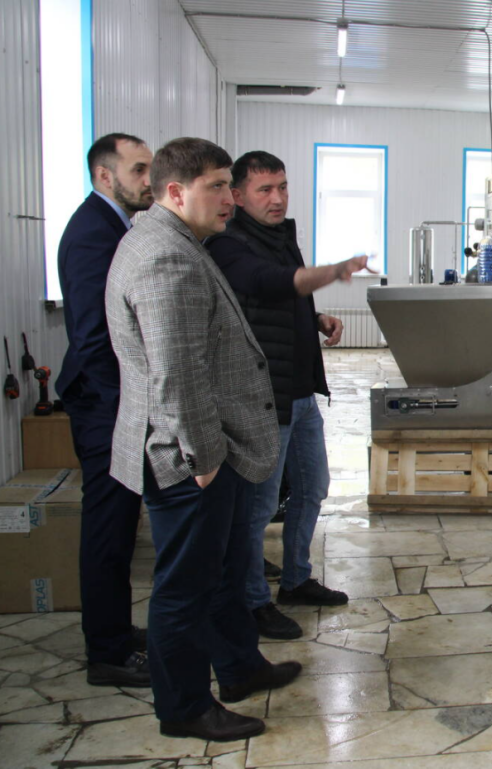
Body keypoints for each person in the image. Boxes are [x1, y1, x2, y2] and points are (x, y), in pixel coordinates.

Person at [105, 137, 300, 741]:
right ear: (174, 191)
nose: (229, 199)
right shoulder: (165, 256)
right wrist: (201, 457)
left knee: (220, 571)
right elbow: (176, 372)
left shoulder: (176, 240)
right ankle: (185, 707)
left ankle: (239, 667)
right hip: (188, 455)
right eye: (216, 187)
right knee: (184, 588)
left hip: (207, 445)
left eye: (226, 185)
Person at [207, 151, 369, 639]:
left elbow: (280, 299)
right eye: (265, 190)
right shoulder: (228, 244)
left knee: (313, 487)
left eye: (282, 187)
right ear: (238, 196)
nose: (277, 198)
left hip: (300, 392)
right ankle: (253, 601)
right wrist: (332, 271)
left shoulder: (281, 237)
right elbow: (267, 283)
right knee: (259, 507)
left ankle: (296, 580)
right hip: (263, 398)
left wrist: (315, 318)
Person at [57, 133, 154, 688]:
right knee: (108, 531)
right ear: (104, 175)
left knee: (119, 529)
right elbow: (94, 337)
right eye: (138, 169)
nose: (148, 179)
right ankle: (107, 653)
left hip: (113, 402)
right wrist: (127, 411)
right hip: (105, 405)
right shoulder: (93, 233)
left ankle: (114, 630)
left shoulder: (116, 227)